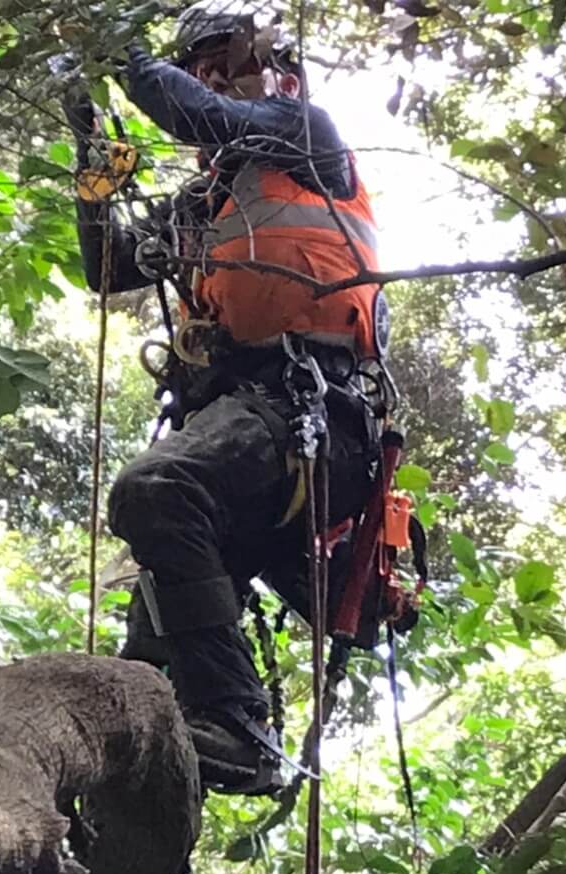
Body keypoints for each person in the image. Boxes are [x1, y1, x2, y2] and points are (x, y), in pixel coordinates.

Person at [66, 5, 389, 800]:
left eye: (225, 60)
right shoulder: (205, 205)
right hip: (241, 427)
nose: (210, 76)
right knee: (142, 666)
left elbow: (195, 113)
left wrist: (126, 56)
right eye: (198, 61)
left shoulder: (301, 132)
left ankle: (240, 728)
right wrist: (91, 162)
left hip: (312, 417)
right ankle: (131, 855)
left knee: (155, 489)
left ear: (268, 64)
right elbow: (108, 268)